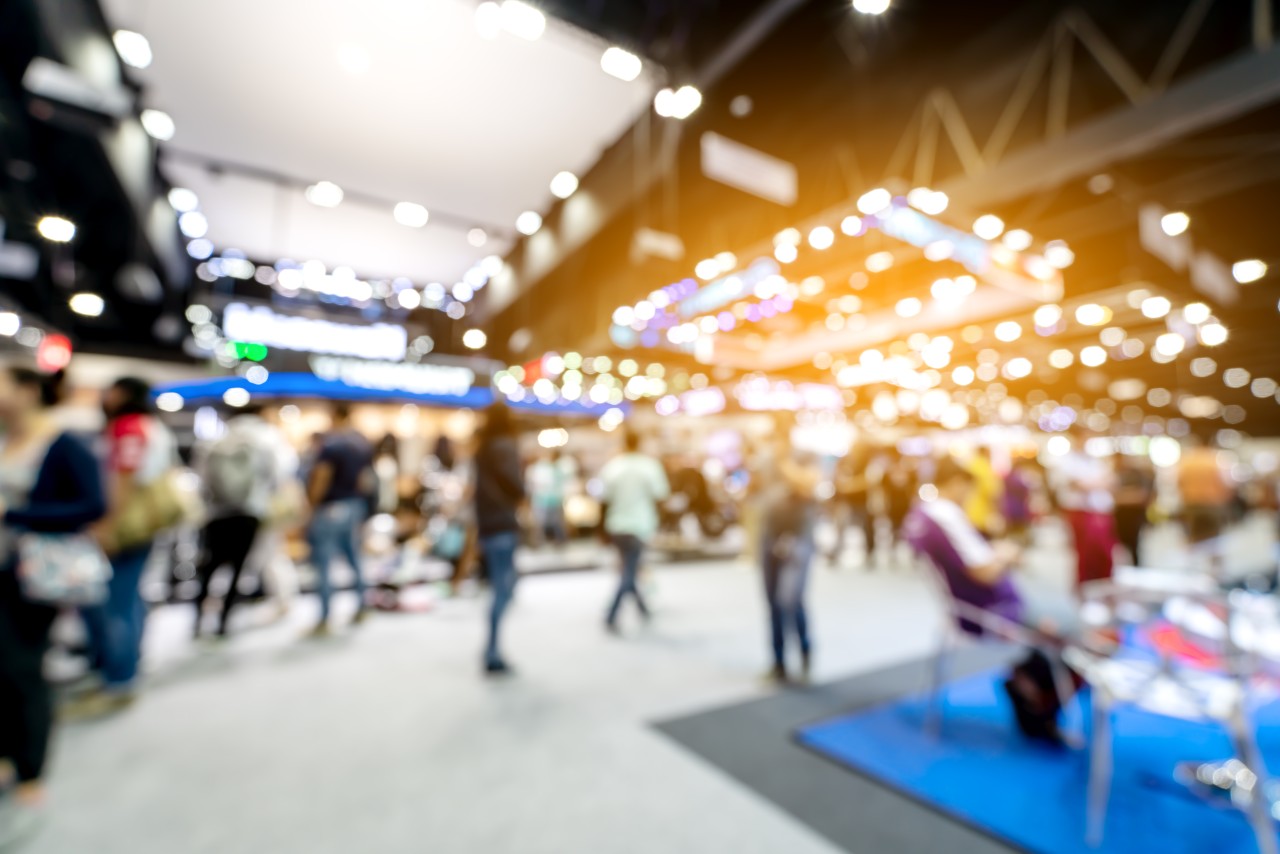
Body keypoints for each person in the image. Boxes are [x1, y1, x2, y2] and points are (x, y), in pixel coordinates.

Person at [0, 367, 106, 845]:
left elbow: (92, 504)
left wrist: (15, 514)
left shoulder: (64, 441)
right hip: (5, 569)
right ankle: (7, 755)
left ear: (26, 390)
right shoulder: (7, 439)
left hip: (37, 574)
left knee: (22, 666)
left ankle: (32, 770)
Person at [904, 458, 1076, 745]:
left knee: (1062, 620)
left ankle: (1029, 681)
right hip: (990, 611)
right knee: (1071, 625)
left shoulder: (924, 513)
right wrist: (1007, 554)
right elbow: (983, 572)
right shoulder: (945, 514)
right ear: (958, 483)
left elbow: (973, 561)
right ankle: (1034, 694)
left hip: (978, 604)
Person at [77, 376, 175, 714]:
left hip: (127, 524)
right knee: (129, 597)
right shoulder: (153, 426)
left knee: (114, 603)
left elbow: (124, 477)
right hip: (145, 522)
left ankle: (119, 678)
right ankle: (127, 665)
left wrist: (108, 526)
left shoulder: (129, 426)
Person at [192, 404, 285, 638]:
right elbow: (276, 477)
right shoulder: (265, 442)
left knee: (210, 567)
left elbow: (200, 479)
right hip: (249, 512)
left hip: (217, 513)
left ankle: (197, 620)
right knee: (238, 569)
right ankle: (224, 622)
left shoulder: (215, 441)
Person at [759, 425, 822, 683]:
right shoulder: (766, 459)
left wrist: (783, 460)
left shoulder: (804, 457)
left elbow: (808, 484)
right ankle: (778, 663)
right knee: (772, 603)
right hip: (769, 535)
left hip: (798, 538)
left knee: (792, 600)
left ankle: (805, 652)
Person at [306, 403, 374, 635]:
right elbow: (365, 481)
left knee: (324, 563)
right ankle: (361, 607)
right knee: (354, 558)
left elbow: (322, 478)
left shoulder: (331, 445)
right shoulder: (361, 445)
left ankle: (324, 618)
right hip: (354, 505)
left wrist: (311, 507)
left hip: (331, 507)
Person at [599, 430, 670, 632]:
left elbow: (603, 501)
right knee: (630, 570)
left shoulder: (613, 466)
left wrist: (601, 531)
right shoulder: (649, 466)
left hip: (617, 525)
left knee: (630, 567)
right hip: (639, 525)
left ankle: (642, 608)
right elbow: (660, 496)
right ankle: (612, 614)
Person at [472, 404, 525, 674]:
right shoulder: (504, 446)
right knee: (503, 589)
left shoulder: (482, 449)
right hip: (503, 522)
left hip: (487, 524)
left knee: (502, 586)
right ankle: (492, 651)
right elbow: (515, 484)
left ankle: (491, 648)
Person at [1050, 429, 1117, 588]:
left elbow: (1111, 481)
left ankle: (1104, 586)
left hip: (1101, 512)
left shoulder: (1094, 461)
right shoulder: (1067, 461)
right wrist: (1098, 483)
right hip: (1081, 513)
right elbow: (1081, 485)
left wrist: (1096, 483)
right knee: (1086, 553)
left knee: (1104, 553)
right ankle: (1085, 588)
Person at [1178, 434, 1233, 547]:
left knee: (1193, 538)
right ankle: (1215, 564)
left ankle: (1193, 563)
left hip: (1191, 504)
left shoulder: (1187, 461)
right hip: (1212, 505)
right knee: (1214, 540)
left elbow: (1179, 482)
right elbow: (1224, 483)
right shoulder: (1215, 460)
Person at [1113, 455, 1155, 566]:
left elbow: (1142, 496)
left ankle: (1136, 567)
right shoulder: (1119, 475)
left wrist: (1122, 497)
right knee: (1121, 543)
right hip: (1121, 514)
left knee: (1134, 543)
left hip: (1134, 515)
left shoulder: (1139, 475)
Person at [526, 449, 569, 546]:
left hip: (554, 499)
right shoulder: (537, 468)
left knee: (557, 522)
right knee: (539, 523)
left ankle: (561, 540)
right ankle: (536, 543)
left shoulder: (555, 468)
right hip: (541, 499)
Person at [964, 447, 1002, 538]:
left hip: (968, 513)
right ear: (986, 453)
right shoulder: (984, 467)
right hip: (981, 515)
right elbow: (992, 491)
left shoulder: (970, 465)